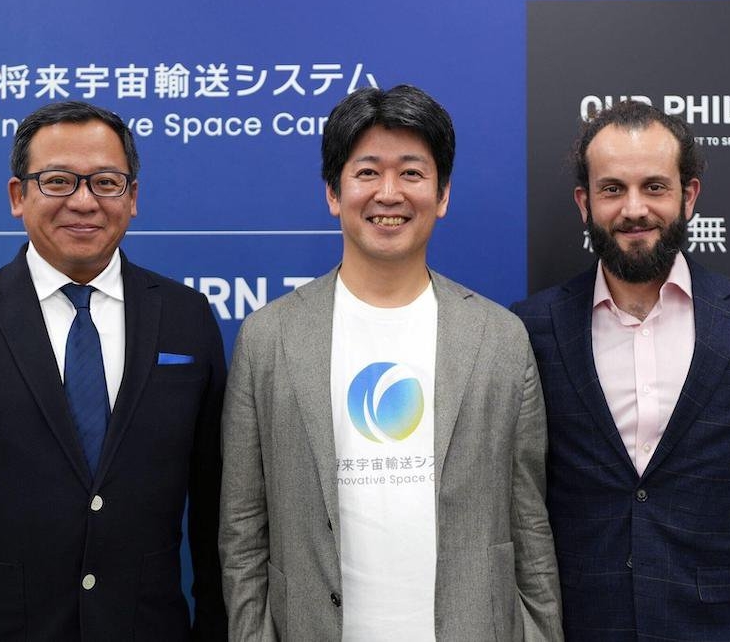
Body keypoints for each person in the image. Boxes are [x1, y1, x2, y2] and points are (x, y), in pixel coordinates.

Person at [0, 101, 227, 640]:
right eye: (57, 181)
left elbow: (220, 515)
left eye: (106, 182)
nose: (83, 201)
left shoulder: (186, 319)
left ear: (132, 197)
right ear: (17, 196)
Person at [219, 85, 562, 640]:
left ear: (442, 194)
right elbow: (242, 530)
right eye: (367, 172)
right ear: (333, 192)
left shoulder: (499, 338)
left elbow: (529, 522)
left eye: (411, 173)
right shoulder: (269, 339)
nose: (389, 193)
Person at [512, 100, 730, 640]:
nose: (634, 209)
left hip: (725, 623)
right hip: (585, 624)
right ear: (585, 203)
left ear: (688, 196)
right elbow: (522, 491)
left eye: (654, 187)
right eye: (612, 189)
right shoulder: (532, 328)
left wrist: (723, 572)